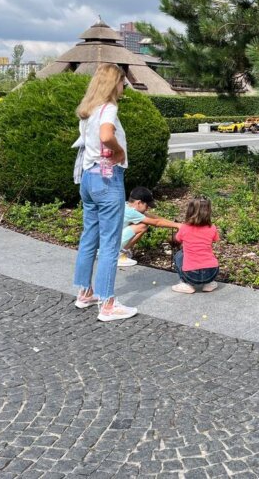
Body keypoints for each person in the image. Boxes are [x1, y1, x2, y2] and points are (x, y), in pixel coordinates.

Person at [71, 63, 136, 321]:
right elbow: (107, 135)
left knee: (89, 237)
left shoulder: (88, 111)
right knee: (110, 242)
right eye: (122, 82)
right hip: (107, 179)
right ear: (113, 83)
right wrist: (119, 152)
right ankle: (107, 303)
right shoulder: (108, 108)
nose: (123, 87)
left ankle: (85, 292)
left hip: (88, 178)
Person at [118, 186, 181, 267]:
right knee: (142, 226)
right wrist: (178, 225)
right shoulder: (131, 212)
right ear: (139, 203)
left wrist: (173, 223)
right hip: (113, 244)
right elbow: (156, 222)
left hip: (110, 240)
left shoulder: (126, 205)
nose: (147, 209)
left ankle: (120, 251)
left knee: (140, 224)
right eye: (147, 206)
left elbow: (154, 217)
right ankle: (120, 254)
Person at [172, 197, 220, 294]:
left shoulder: (184, 228)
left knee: (179, 255)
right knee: (209, 255)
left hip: (190, 274)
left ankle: (187, 284)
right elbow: (215, 240)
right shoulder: (212, 228)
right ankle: (209, 284)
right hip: (211, 272)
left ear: (190, 211)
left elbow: (176, 240)